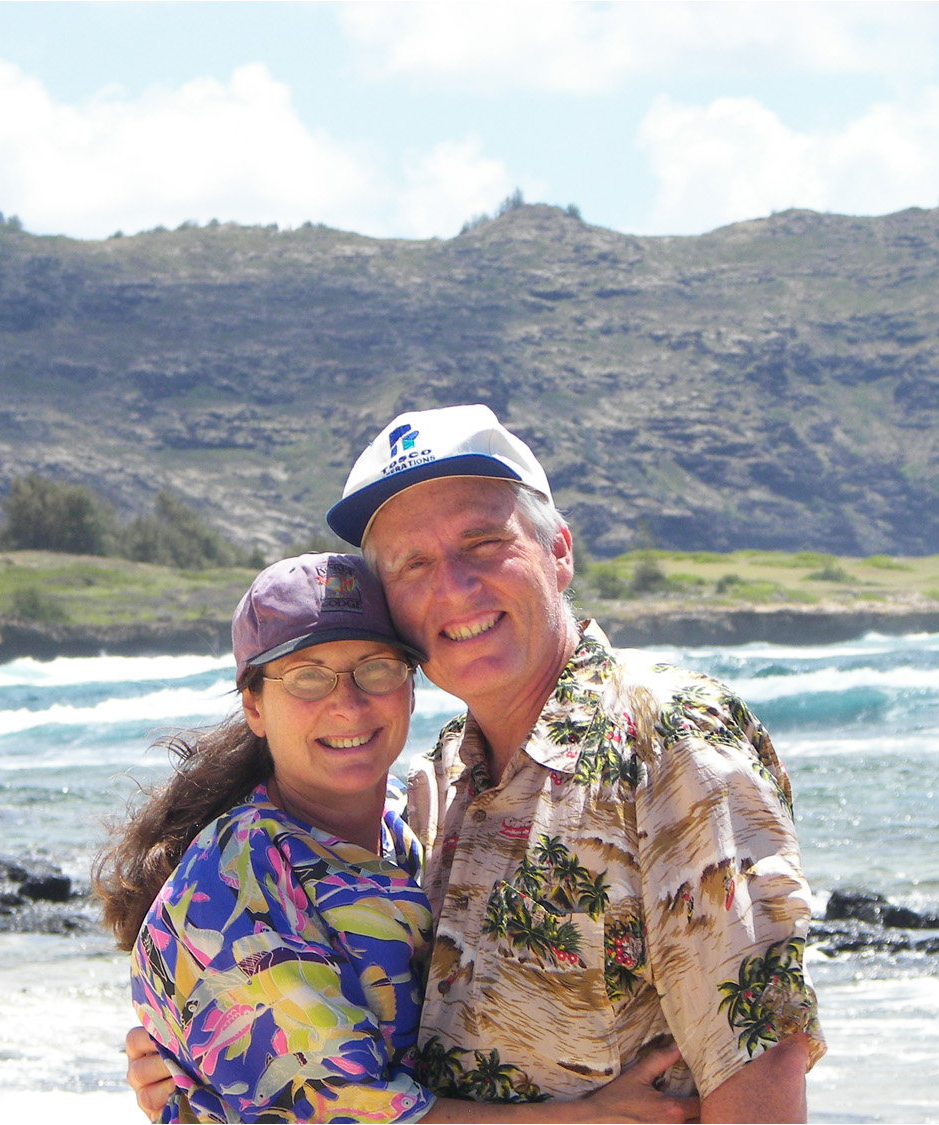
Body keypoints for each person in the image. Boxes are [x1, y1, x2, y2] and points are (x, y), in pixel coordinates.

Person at [130, 404, 824, 1121]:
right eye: (413, 564)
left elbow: (758, 1051)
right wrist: (198, 1067)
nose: (454, 587)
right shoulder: (437, 787)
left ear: (559, 550)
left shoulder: (667, 736)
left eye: (484, 543)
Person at [99, 551, 698, 1124]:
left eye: (377, 668)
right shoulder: (238, 884)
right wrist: (588, 1119)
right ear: (255, 705)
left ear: (411, 684)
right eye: (308, 678)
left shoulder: (403, 835)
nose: (348, 704)